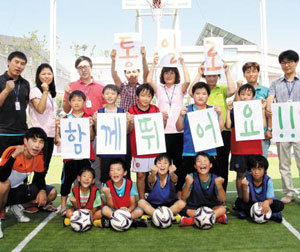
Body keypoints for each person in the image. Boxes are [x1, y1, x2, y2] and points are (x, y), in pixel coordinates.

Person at [0, 127, 57, 239]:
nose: (37, 145)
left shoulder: (39, 156)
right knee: (3, 184)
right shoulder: (12, 150)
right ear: (25, 141)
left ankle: (18, 206)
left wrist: (42, 190)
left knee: (52, 193)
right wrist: (14, 156)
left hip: (16, 190)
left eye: (41, 142)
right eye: (34, 141)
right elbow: (1, 176)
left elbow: (40, 178)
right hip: (3, 190)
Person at [188, 61, 236, 191]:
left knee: (222, 163)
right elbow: (190, 92)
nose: (212, 78)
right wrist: (199, 72)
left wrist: (227, 71)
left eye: (215, 75)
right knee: (206, 163)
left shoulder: (222, 89)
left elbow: (232, 90)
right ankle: (206, 192)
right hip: (205, 132)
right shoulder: (202, 90)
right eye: (209, 75)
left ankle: (221, 193)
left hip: (223, 131)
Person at [147, 54, 190, 192]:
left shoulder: (179, 88)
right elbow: (148, 80)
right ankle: (162, 190)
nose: (169, 75)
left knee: (178, 163)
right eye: (166, 73)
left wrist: (182, 63)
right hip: (162, 131)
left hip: (178, 131)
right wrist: (153, 64)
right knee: (163, 163)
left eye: (172, 73)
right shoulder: (159, 88)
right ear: (162, 75)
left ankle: (178, 191)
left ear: (176, 75)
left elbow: (188, 81)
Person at [63, 56, 105, 188]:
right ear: (77, 70)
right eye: (80, 67)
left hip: (97, 131)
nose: (83, 70)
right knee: (78, 164)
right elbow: (66, 109)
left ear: (91, 68)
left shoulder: (101, 87)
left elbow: (106, 107)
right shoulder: (71, 86)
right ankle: (77, 194)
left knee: (97, 163)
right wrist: (65, 94)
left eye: (86, 66)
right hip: (77, 134)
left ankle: (96, 191)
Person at [176, 82, 224, 192]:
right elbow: (179, 128)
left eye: (204, 93)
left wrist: (220, 115)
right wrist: (180, 116)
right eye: (197, 93)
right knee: (186, 181)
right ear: (192, 95)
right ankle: (186, 203)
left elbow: (220, 129)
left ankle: (212, 202)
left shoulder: (212, 110)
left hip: (209, 152)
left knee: (211, 181)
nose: (200, 96)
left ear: (208, 95)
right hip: (190, 151)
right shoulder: (187, 109)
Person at [266, 50, 300, 204]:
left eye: (289, 62)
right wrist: (268, 105)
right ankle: (288, 192)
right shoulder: (275, 83)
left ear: (296, 63)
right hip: (283, 128)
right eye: (283, 63)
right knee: (284, 163)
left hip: (299, 127)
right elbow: (270, 98)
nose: (286, 65)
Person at [55, 90, 95, 216]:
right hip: (70, 156)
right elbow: (61, 138)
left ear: (84, 102)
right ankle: (63, 206)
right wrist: (58, 129)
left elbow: (91, 137)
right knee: (66, 180)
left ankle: (88, 204)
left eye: (79, 100)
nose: (76, 103)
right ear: (70, 102)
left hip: (84, 155)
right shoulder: (65, 119)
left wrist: (89, 126)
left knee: (86, 179)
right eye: (74, 100)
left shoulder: (87, 118)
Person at [226, 84, 265, 203]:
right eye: (242, 94)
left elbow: (263, 126)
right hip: (239, 149)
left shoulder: (256, 109)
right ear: (239, 95)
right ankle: (241, 199)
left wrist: (262, 109)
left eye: (248, 95)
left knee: (256, 174)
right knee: (240, 175)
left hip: (254, 148)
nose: (245, 97)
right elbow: (228, 125)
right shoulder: (234, 109)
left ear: (253, 96)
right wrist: (228, 110)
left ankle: (256, 198)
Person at [128, 84, 167, 199]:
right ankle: (142, 200)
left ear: (152, 98)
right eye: (143, 95)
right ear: (137, 97)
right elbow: (129, 131)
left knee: (156, 174)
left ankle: (157, 197)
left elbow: (161, 128)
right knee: (140, 175)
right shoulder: (132, 110)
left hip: (154, 149)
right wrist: (129, 122)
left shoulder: (155, 109)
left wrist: (164, 120)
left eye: (148, 96)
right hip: (139, 150)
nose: (145, 99)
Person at [92, 84, 130, 183]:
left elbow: (124, 132)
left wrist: (128, 122)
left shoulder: (122, 112)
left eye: (113, 93)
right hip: (105, 150)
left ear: (118, 96)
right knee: (105, 174)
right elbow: (97, 132)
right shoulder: (99, 113)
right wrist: (95, 121)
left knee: (119, 172)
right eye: (107, 93)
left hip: (118, 149)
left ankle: (120, 195)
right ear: (103, 95)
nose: (110, 96)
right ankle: (106, 195)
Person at [179, 152, 227, 226]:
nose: (202, 163)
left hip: (211, 207)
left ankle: (193, 221)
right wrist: (188, 183)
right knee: (184, 209)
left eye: (205, 161)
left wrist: (219, 186)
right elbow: (183, 197)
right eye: (199, 161)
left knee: (222, 209)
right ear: (195, 166)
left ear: (210, 165)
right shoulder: (191, 177)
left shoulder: (216, 179)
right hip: (195, 208)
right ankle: (215, 218)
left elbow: (222, 199)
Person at [235, 62, 271, 158]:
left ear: (258, 73)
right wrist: (238, 88)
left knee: (261, 163)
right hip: (245, 133)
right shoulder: (241, 90)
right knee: (246, 165)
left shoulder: (266, 90)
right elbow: (237, 107)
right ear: (244, 74)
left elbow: (270, 112)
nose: (251, 74)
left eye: (254, 71)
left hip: (262, 134)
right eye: (248, 72)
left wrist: (269, 129)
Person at [235, 155, 284, 222]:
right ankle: (270, 214)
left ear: (264, 170)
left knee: (279, 205)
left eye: (259, 169)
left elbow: (270, 199)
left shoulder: (268, 181)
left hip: (265, 203)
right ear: (250, 170)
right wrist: (244, 189)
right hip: (252, 203)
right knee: (238, 203)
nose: (256, 172)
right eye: (253, 169)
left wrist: (267, 202)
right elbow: (246, 200)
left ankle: (250, 213)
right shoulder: (247, 179)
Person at [138, 154, 186, 222]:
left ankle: (155, 217)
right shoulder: (152, 176)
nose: (162, 165)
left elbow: (174, 180)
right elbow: (151, 180)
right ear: (155, 166)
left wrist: (172, 173)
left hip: (170, 206)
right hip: (153, 206)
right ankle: (166, 216)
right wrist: (153, 173)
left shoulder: (172, 175)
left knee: (182, 203)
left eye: (165, 163)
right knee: (141, 202)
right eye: (159, 163)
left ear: (169, 166)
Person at [101, 158, 147, 228]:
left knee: (140, 211)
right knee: (104, 210)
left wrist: (129, 210)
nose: (115, 172)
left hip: (128, 210)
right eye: (112, 170)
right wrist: (107, 194)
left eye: (118, 170)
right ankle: (130, 221)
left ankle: (115, 222)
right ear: (109, 173)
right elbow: (110, 205)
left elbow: (133, 203)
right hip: (115, 210)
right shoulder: (107, 185)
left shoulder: (130, 184)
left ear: (125, 172)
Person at [0, 51, 30, 157]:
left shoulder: (26, 84)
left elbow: (25, 104)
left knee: (20, 170)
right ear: (8, 62)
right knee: (2, 169)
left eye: (22, 64)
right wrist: (6, 90)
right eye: (16, 62)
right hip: (3, 133)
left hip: (21, 133)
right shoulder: (0, 81)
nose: (19, 66)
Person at [29, 63, 57, 172]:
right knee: (39, 168)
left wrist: (56, 135)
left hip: (49, 134)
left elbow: (52, 116)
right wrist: (44, 91)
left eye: (49, 74)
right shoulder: (35, 90)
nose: (46, 76)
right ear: (38, 76)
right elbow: (40, 109)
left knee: (45, 168)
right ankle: (35, 188)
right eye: (43, 74)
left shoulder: (50, 93)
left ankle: (41, 188)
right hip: (39, 135)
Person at [111, 47, 149, 112]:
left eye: (134, 72)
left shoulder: (142, 86)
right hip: (125, 118)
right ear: (125, 74)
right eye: (128, 72)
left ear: (138, 72)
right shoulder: (123, 86)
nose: (131, 74)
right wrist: (113, 60)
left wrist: (144, 58)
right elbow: (114, 76)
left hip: (139, 117)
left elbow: (146, 73)